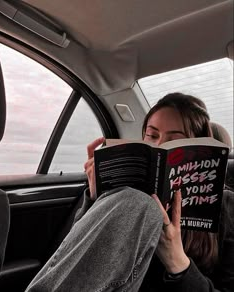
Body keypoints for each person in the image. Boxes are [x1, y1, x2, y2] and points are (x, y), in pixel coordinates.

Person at [25, 92, 234, 292]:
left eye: (174, 141)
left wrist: (177, 261)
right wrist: (96, 200)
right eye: (152, 136)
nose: (159, 146)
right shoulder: (128, 192)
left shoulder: (228, 205)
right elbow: (70, 262)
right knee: (135, 201)